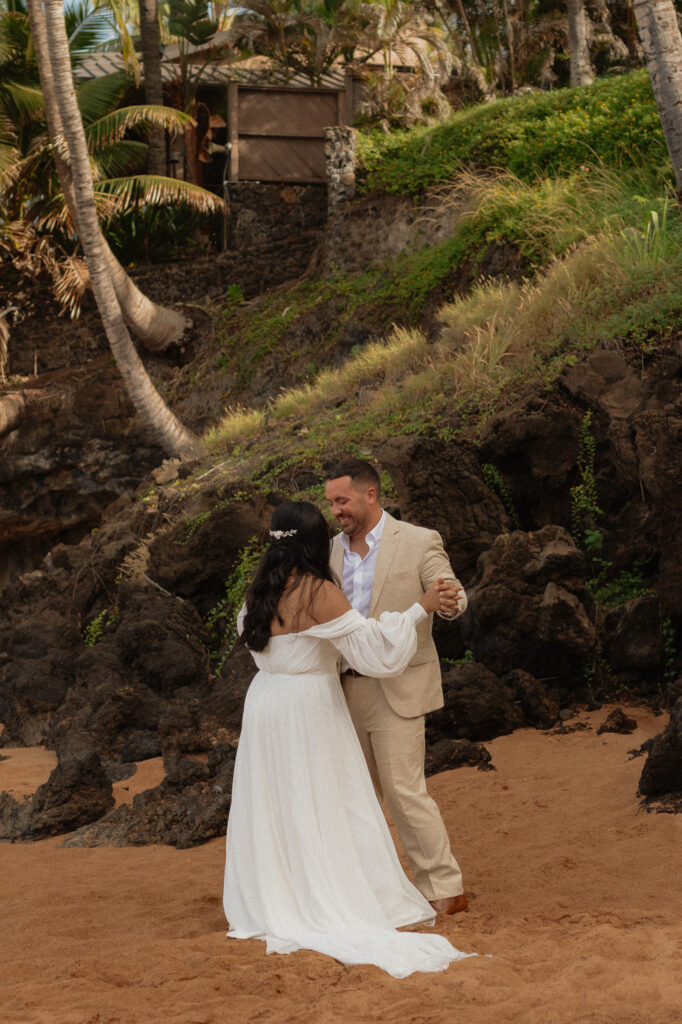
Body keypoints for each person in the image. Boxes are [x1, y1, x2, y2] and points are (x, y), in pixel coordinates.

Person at [223, 501, 473, 977]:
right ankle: (325, 894)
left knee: (277, 802)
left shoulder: (259, 591)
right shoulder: (317, 591)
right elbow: (375, 649)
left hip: (266, 704)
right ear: (315, 543)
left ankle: (279, 893)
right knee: (326, 799)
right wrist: (419, 608)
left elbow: (256, 640)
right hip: (308, 706)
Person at [325, 459, 468, 916]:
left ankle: (445, 889)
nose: (336, 511)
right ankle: (371, 890)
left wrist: (447, 602)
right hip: (341, 691)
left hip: (398, 686)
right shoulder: (328, 552)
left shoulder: (420, 540)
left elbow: (452, 592)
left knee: (405, 793)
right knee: (355, 797)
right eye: (330, 503)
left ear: (370, 495)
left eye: (342, 501)